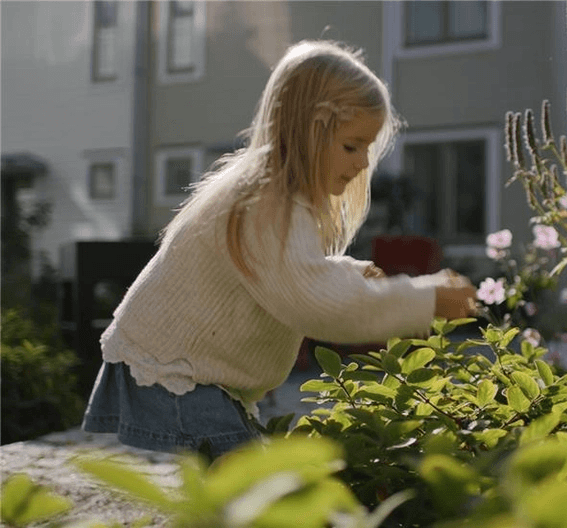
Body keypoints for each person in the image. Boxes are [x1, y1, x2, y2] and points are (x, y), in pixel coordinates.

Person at [81, 40, 477, 460]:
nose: (363, 163)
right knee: (258, 485)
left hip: (187, 374)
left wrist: (347, 273)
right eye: (351, 146)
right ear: (307, 132)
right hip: (173, 376)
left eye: (367, 147)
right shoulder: (267, 204)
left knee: (245, 485)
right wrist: (426, 299)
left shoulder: (271, 197)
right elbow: (320, 306)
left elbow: (290, 272)